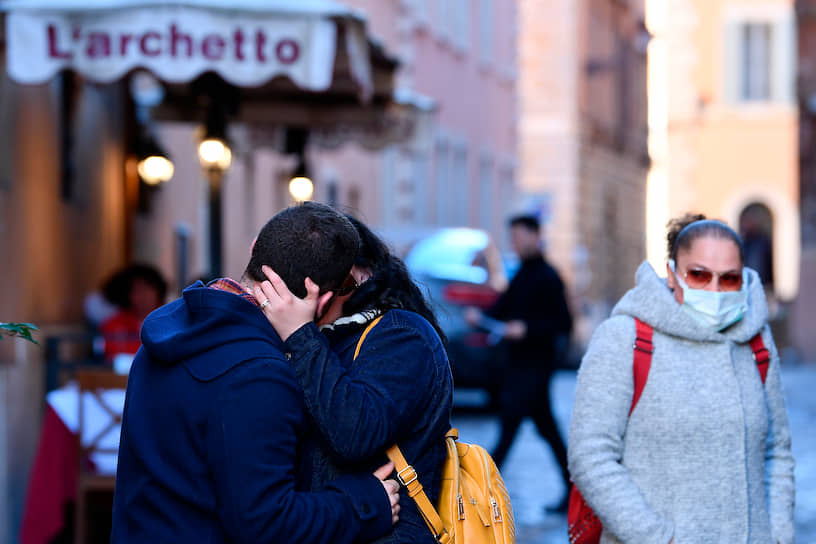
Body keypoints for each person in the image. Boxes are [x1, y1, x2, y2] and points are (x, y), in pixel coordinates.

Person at [111, 202, 401, 543]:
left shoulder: (166, 333)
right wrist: (365, 504)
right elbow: (265, 524)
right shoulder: (261, 373)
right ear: (320, 300)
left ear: (254, 251)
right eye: (346, 293)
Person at [568, 213, 795, 544]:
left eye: (729, 279)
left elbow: (777, 450)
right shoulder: (624, 338)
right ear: (673, 273)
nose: (715, 290)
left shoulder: (757, 342)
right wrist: (658, 538)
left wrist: (779, 534)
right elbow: (591, 456)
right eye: (700, 275)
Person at [253, 215, 454, 543]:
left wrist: (300, 335)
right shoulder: (318, 338)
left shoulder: (401, 333)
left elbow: (355, 433)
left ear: (362, 273)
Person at [464, 213, 573, 512]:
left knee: (510, 425)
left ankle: (481, 491)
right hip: (519, 365)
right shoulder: (522, 274)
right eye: (512, 237)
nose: (514, 242)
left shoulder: (548, 276)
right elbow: (503, 308)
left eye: (518, 237)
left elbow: (562, 322)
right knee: (546, 430)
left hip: (536, 366)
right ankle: (575, 491)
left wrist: (526, 329)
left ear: (534, 236)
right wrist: (480, 316)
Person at [98, 263, 167, 362]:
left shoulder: (171, 320)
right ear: (127, 295)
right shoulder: (113, 325)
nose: (143, 296)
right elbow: (109, 358)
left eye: (148, 289)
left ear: (158, 292)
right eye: (137, 291)